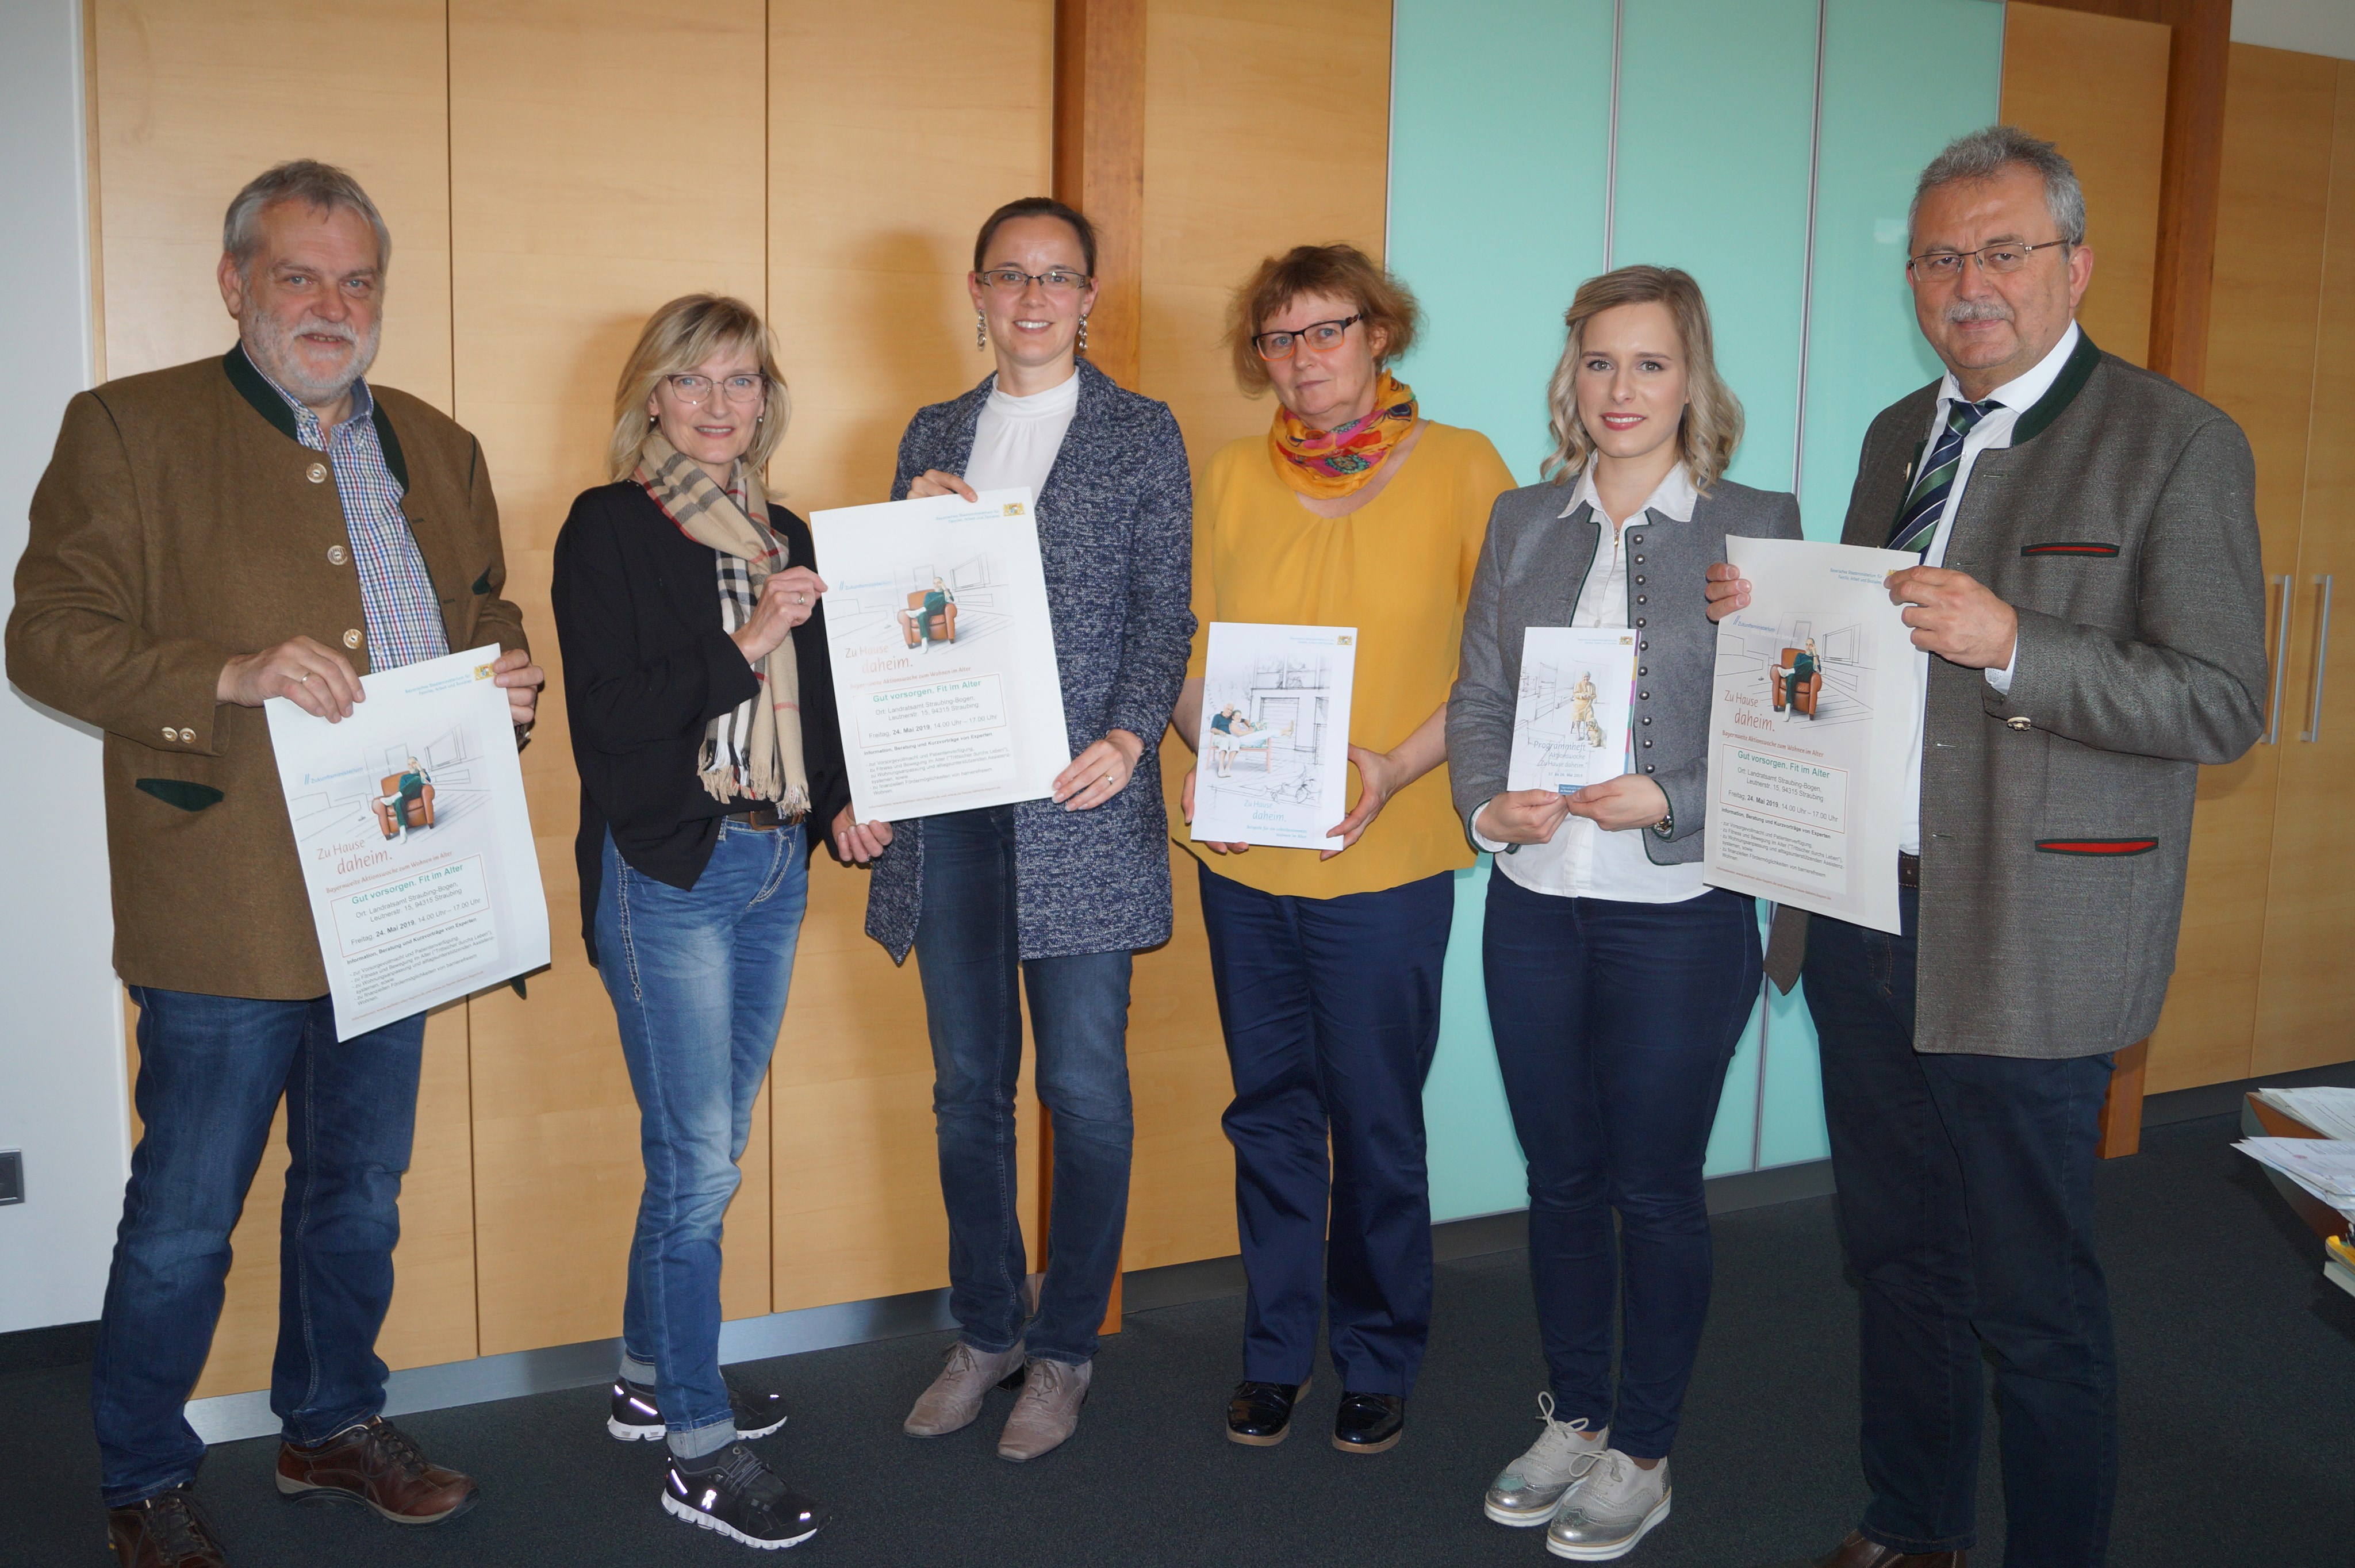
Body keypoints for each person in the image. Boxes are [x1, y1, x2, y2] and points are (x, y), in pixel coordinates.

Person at [1705, 129, 2266, 1568]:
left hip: (2031, 929)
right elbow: (1861, 653)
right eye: (1940, 256)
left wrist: (2017, 641)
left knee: (2029, 1289)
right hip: (1863, 912)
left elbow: (2216, 702)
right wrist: (1767, 618)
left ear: (2072, 263)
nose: (1969, 283)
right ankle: (1911, 1522)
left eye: (2002, 250)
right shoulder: (1902, 431)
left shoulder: (2174, 439)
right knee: (1893, 1257)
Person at [6, 160, 542, 1568]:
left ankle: (330, 1423)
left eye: (355, 280)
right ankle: (142, 1473)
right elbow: (45, 632)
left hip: (404, 896)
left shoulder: (437, 438)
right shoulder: (130, 427)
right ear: (236, 280)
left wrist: (507, 671)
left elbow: (482, 599)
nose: (329, 304)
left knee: (357, 1195)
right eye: (297, 275)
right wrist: (226, 670)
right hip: (225, 900)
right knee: (185, 1219)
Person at [832, 197, 1194, 1463]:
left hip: (1077, 807)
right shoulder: (932, 432)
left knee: (1085, 1092)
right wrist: (869, 770)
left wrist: (1133, 733)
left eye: (1057, 277)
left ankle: (1066, 1348)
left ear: (1090, 295)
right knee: (966, 1093)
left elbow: (1165, 613)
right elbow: (885, 624)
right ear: (975, 294)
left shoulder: (1143, 433)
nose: (1033, 298)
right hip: (951, 813)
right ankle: (985, 1328)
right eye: (1008, 276)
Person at [1448, 265, 1797, 1560]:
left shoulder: (1754, 529)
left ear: (1689, 380)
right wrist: (1487, 807)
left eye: (1648, 364)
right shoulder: (1522, 520)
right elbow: (1478, 695)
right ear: (1570, 377)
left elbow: (1789, 720)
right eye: (1599, 363)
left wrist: (1671, 792)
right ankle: (1576, 1414)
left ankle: (1642, 1446)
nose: (1621, 390)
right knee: (1559, 1177)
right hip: (1534, 902)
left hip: (1679, 906)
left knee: (1651, 1188)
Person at [1172, 244, 1514, 1456]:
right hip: (1246, 864)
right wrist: (1215, 755)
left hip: (1389, 856)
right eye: (1280, 338)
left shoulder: (1465, 466)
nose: (1305, 360)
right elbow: (1183, 652)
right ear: (1256, 354)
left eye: (1328, 331)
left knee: (1372, 1117)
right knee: (1266, 1113)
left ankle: (1375, 1351)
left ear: (1380, 334)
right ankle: (1274, 1351)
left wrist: (1388, 769)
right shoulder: (1221, 475)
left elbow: (1502, 662)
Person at [551, 295, 845, 1548]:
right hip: (665, 869)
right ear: (652, 398)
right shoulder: (608, 526)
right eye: (693, 380)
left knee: (699, 1152)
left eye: (741, 379)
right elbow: (613, 715)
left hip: (772, 863)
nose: (720, 402)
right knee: (698, 1166)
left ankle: (647, 1369)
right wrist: (753, 629)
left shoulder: (785, 527)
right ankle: (694, 1445)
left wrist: (839, 804)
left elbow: (826, 698)